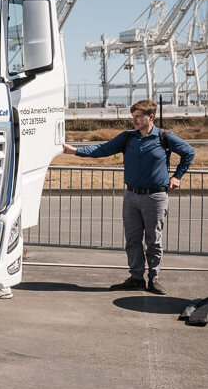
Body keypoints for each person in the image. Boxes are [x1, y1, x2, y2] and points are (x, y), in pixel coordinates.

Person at [63, 100, 195, 295]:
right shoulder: (127, 138)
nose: (134, 120)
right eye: (133, 116)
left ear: (150, 117)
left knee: (153, 240)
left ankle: (154, 278)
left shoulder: (164, 137)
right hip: (131, 196)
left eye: (138, 116)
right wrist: (74, 151)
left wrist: (177, 176)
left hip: (155, 197)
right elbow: (103, 149)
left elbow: (189, 153)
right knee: (132, 240)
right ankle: (136, 278)